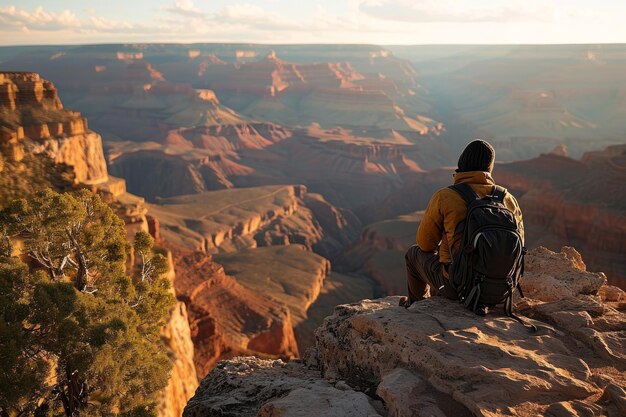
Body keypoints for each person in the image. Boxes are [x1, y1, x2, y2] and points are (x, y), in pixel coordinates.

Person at [400, 139, 524, 308]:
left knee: (413, 253)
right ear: (489, 168)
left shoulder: (446, 196)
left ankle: (415, 306)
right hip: (503, 290)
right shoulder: (508, 199)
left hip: (459, 289)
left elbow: (425, 244)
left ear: (461, 164)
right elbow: (520, 246)